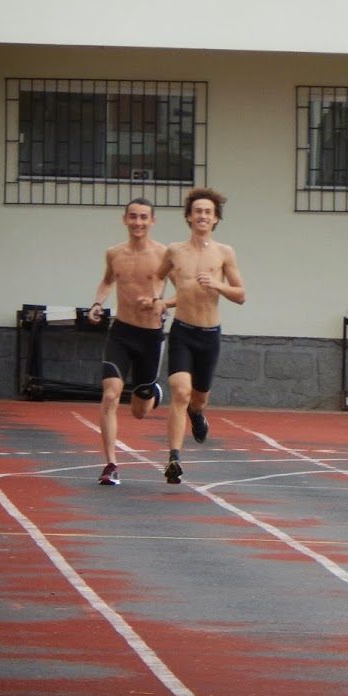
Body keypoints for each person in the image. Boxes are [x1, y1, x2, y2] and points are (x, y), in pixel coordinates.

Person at [156, 187, 246, 484]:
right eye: (198, 211)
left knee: (199, 399)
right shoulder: (175, 251)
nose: (203, 216)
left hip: (209, 335)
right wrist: (159, 301)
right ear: (189, 217)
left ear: (216, 218)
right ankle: (173, 459)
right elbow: (158, 277)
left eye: (208, 212)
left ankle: (197, 415)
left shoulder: (224, 253)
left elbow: (241, 294)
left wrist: (218, 286)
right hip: (182, 330)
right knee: (179, 391)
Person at [88, 198, 171, 486]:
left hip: (150, 335)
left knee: (140, 411)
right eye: (133, 217)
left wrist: (161, 302)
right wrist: (98, 303)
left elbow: (178, 289)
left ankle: (152, 391)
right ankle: (111, 464)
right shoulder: (114, 253)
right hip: (121, 332)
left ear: (152, 221)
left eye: (143, 217)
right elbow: (108, 281)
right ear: (124, 219)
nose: (138, 222)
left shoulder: (164, 254)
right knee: (110, 393)